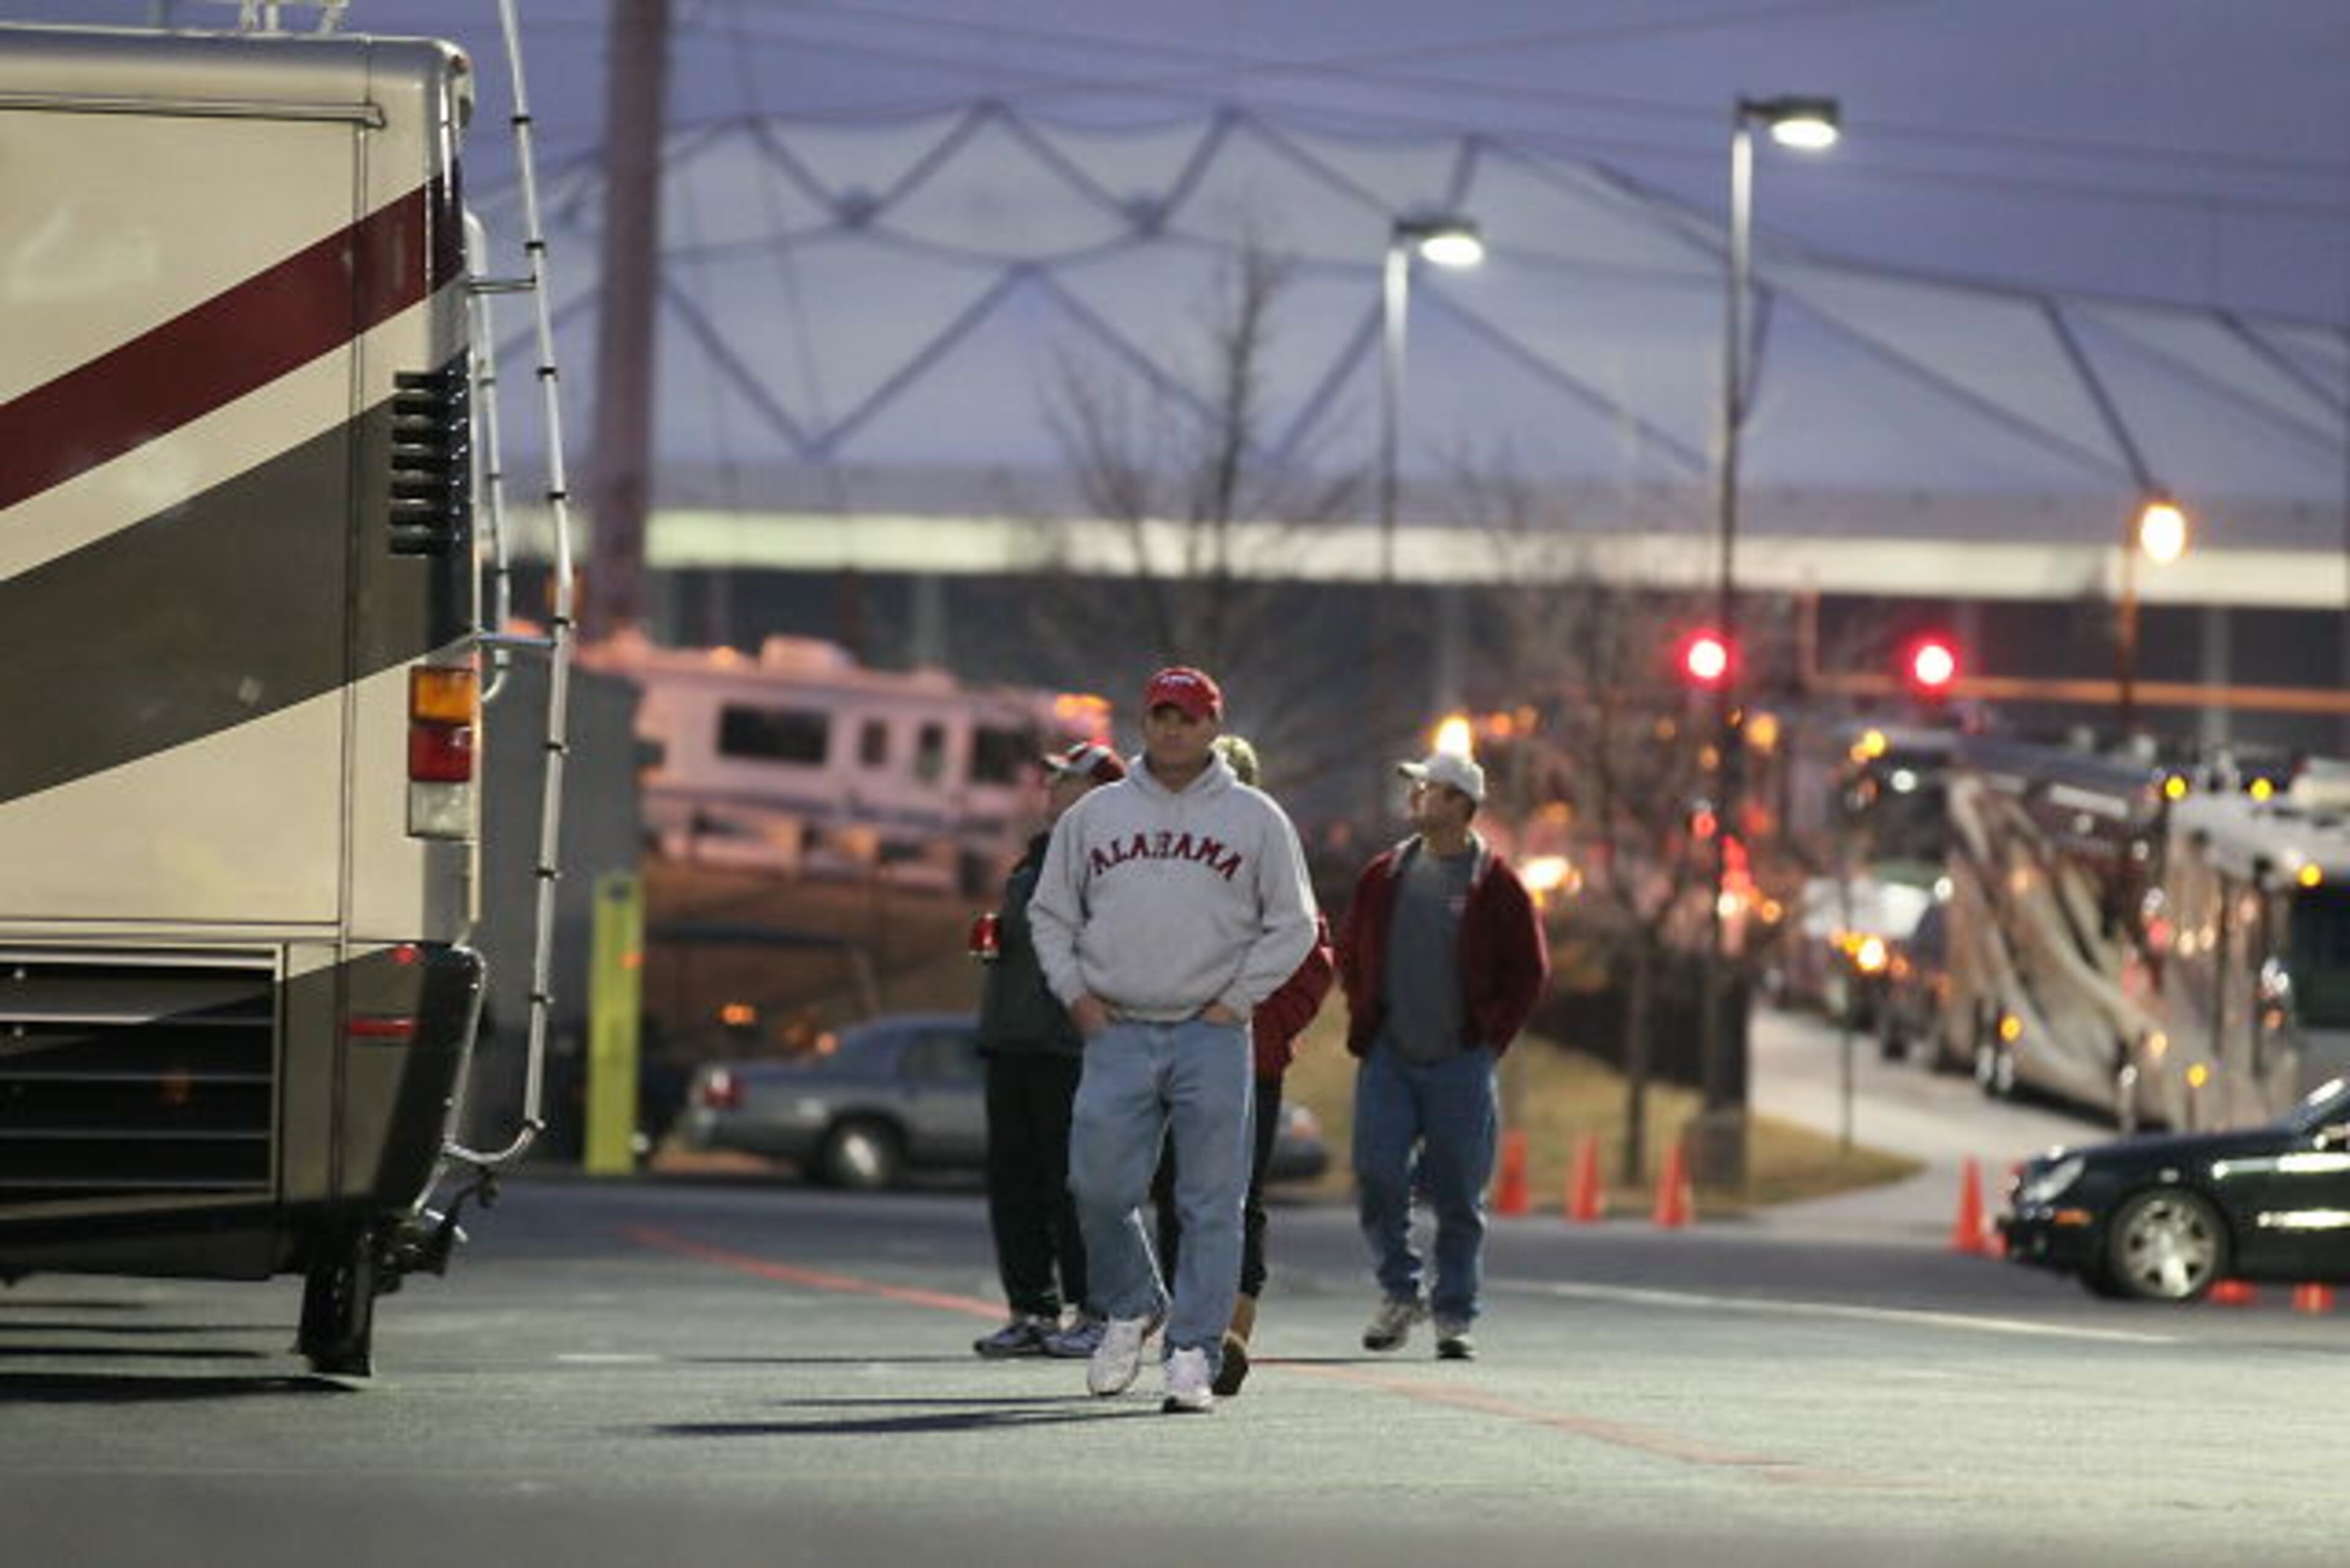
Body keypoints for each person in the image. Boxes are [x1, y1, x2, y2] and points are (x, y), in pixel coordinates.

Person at [1029, 666, 1318, 1414]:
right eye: (1161, 715)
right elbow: (1050, 914)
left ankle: (1191, 1350)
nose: (1173, 729)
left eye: (1187, 717)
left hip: (1211, 1033)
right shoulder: (1097, 817)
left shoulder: (1255, 818)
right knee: (1096, 1185)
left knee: (1212, 1201)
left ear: (1213, 727)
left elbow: (1295, 925)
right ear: (1144, 721)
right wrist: (1077, 996)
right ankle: (1131, 1303)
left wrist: (1236, 1000)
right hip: (1119, 1027)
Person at [1337, 749, 1548, 1362]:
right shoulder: (1384, 875)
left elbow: (1528, 972)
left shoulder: (1497, 884)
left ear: (1460, 803)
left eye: (1427, 789)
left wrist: (1488, 1040)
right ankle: (1398, 1291)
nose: (1415, 798)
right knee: (1377, 1175)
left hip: (1460, 1061)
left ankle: (1454, 1312)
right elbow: (1352, 952)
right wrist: (1364, 1010)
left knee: (1459, 1191)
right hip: (1389, 1057)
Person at [1148, 733, 1334, 1398]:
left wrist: (1262, 1024)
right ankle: (1184, 1326)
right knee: (1174, 1190)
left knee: (1237, 1197)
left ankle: (1227, 1335)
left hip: (1248, 1061)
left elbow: (1311, 956)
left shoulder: (1272, 854)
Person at [970, 740, 1126, 1359]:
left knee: (1074, 1185)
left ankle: (1094, 1309)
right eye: (1055, 778)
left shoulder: (1107, 862)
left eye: (1067, 779)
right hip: (1013, 1040)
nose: (1053, 788)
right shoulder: (1035, 858)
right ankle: (1030, 1309)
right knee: (1013, 1181)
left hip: (1068, 1046)